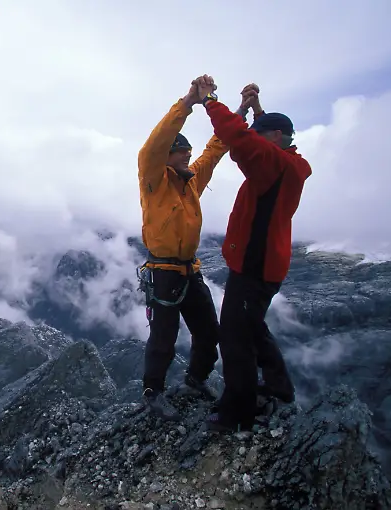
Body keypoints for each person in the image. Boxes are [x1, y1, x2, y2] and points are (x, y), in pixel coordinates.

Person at [195, 81, 312, 432]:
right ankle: (279, 388)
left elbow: (239, 137)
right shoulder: (291, 162)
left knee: (235, 337)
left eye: (264, 133)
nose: (258, 138)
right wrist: (256, 109)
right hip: (268, 266)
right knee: (253, 326)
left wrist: (209, 101)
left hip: (253, 267)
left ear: (276, 136)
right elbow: (259, 139)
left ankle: (238, 412)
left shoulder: (272, 162)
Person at [136, 75, 229, 421]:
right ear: (169, 157)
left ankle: (195, 380)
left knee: (208, 331)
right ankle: (153, 392)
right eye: (181, 154)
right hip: (163, 272)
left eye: (188, 155)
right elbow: (152, 147)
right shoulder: (153, 180)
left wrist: (234, 112)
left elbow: (215, 150)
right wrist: (188, 102)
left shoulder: (190, 181)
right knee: (164, 337)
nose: (188, 160)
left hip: (190, 270)